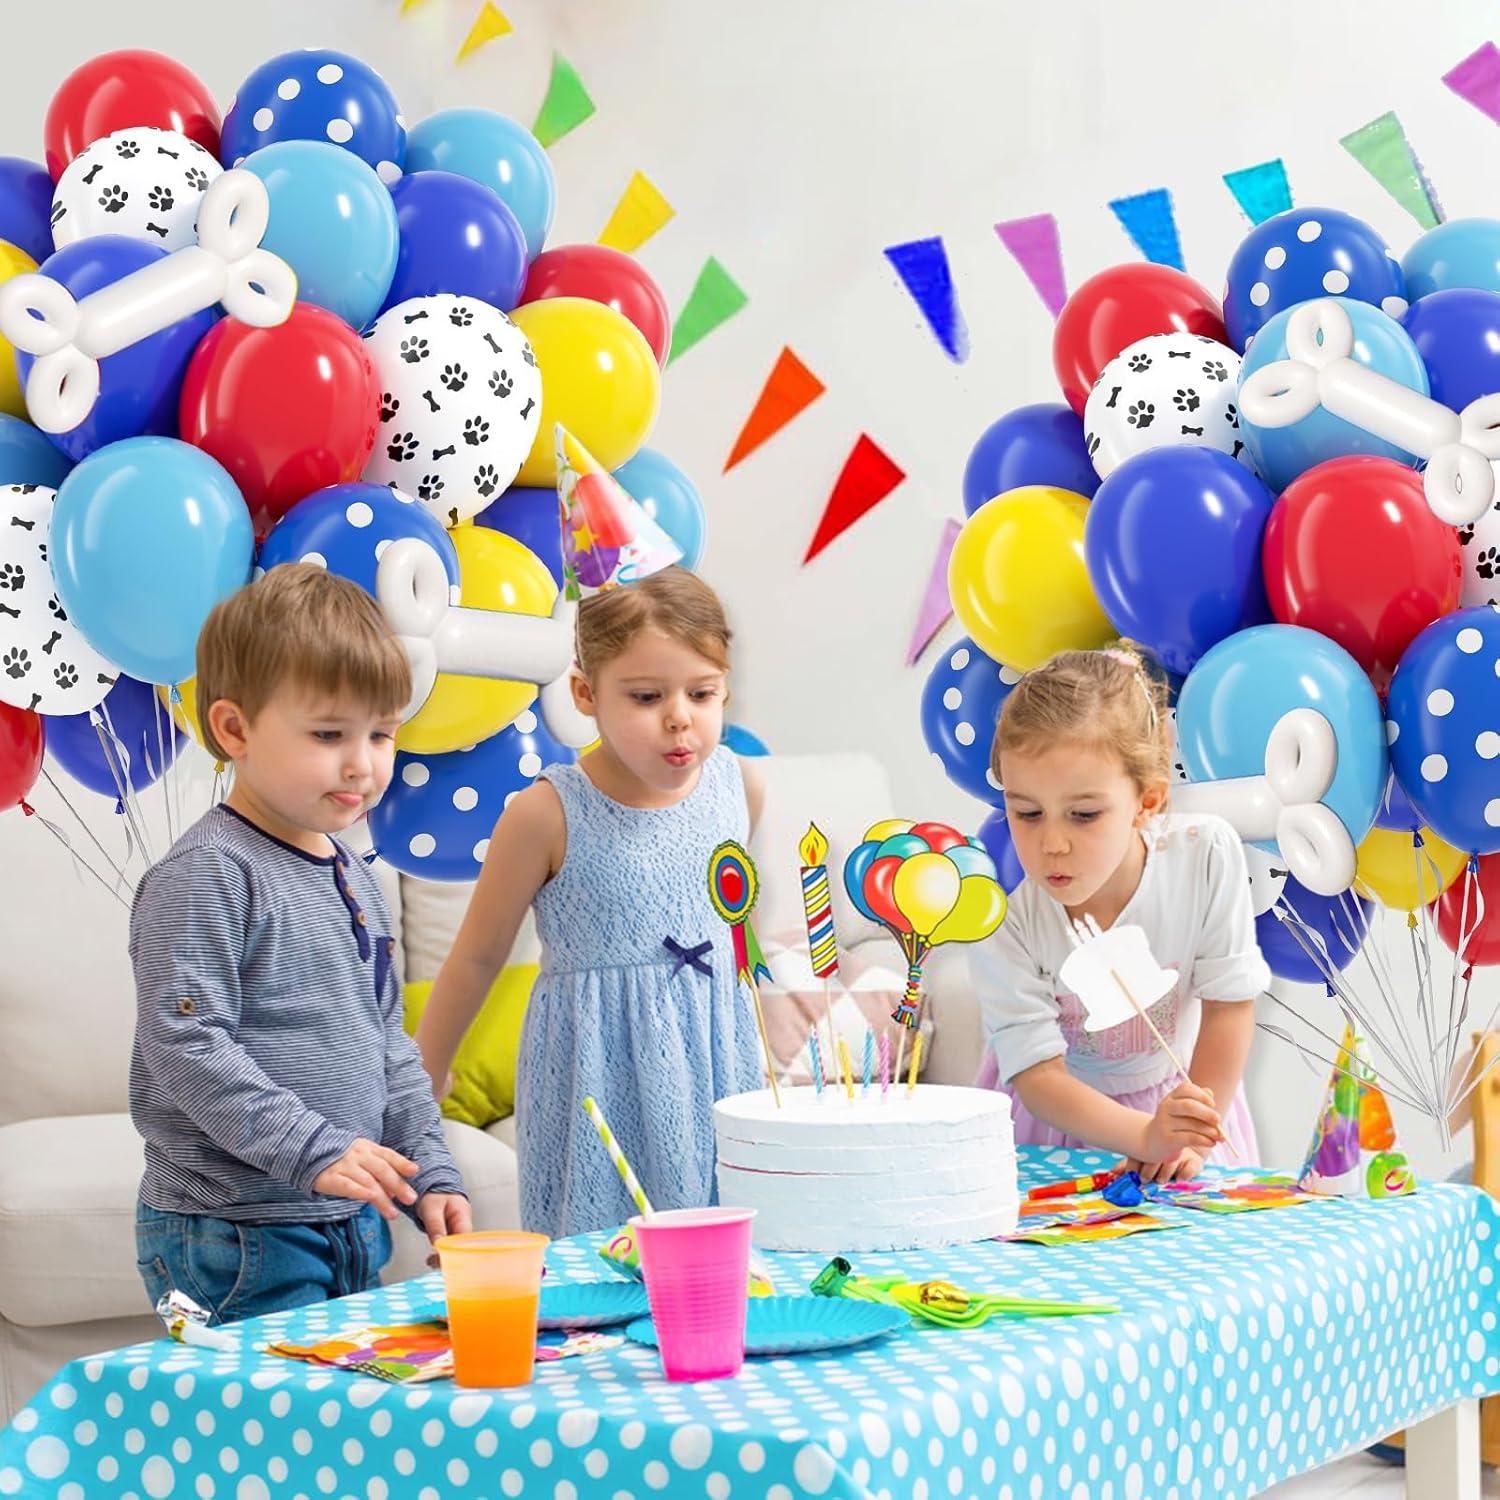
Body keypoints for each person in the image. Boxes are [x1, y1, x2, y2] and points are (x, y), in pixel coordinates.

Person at [131, 564, 470, 1323]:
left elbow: (388, 1046)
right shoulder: (210, 872)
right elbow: (185, 1042)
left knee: (343, 1397)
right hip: (235, 1231)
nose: (362, 763)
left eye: (381, 733)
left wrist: (431, 1172)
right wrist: (314, 1149)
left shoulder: (354, 874)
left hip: (348, 1216)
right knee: (269, 1402)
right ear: (234, 730)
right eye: (328, 734)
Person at [416, 567, 765, 1236]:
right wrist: (423, 1077)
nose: (679, 717)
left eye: (702, 693)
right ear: (585, 693)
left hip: (718, 1056)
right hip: (600, 1065)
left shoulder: (739, 787)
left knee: (729, 1239)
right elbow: (477, 956)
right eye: (645, 696)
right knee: (604, 1244)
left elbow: (735, 932)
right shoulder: (546, 814)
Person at [972, 645, 1270, 1181]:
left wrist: (1190, 1136)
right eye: (1027, 813)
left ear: (1147, 801)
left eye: (1084, 814)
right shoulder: (1005, 921)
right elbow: (1039, 1076)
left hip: (1183, 1103)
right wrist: (1144, 1136)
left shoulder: (1205, 855)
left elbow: (1229, 1007)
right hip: (1054, 1124)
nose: (1052, 843)